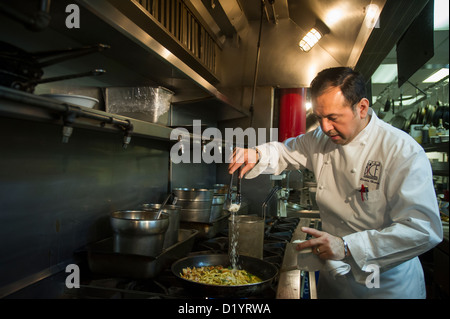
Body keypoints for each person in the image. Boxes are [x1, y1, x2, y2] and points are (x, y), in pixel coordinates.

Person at [228, 67, 443, 299]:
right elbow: (286, 151)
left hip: (386, 286)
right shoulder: (321, 139)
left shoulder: (401, 151)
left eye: (333, 117)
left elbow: (423, 228)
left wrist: (349, 246)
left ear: (361, 107)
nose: (324, 127)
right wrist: (257, 154)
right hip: (336, 281)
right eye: (319, 117)